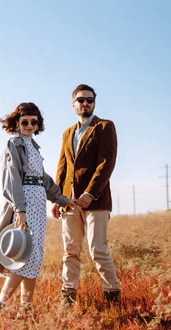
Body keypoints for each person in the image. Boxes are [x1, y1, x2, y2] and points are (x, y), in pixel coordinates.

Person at [0, 102, 74, 320]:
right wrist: (20, 210)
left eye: (34, 122)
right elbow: (11, 178)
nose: (30, 125)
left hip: (38, 201)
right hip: (25, 203)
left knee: (34, 256)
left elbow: (43, 179)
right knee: (25, 256)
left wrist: (62, 200)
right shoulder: (14, 144)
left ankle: (26, 310)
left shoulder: (32, 145)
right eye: (25, 122)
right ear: (17, 123)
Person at [52, 84, 121, 305]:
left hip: (96, 202)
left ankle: (112, 297)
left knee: (97, 249)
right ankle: (68, 298)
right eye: (81, 100)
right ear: (73, 105)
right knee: (70, 250)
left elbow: (106, 163)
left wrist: (90, 193)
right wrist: (56, 197)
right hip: (69, 202)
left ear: (94, 102)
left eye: (90, 100)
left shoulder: (104, 127)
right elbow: (62, 167)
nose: (86, 103)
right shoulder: (67, 133)